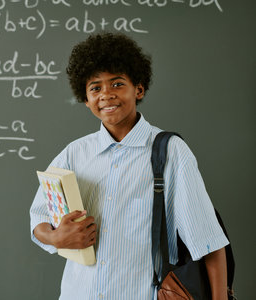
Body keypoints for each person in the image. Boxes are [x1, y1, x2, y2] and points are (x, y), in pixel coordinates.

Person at [29, 32, 229, 300]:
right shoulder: (74, 154)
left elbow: (209, 243)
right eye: (95, 88)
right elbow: (39, 218)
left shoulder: (170, 152)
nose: (106, 95)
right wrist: (56, 238)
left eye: (117, 84)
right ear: (85, 98)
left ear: (139, 88)